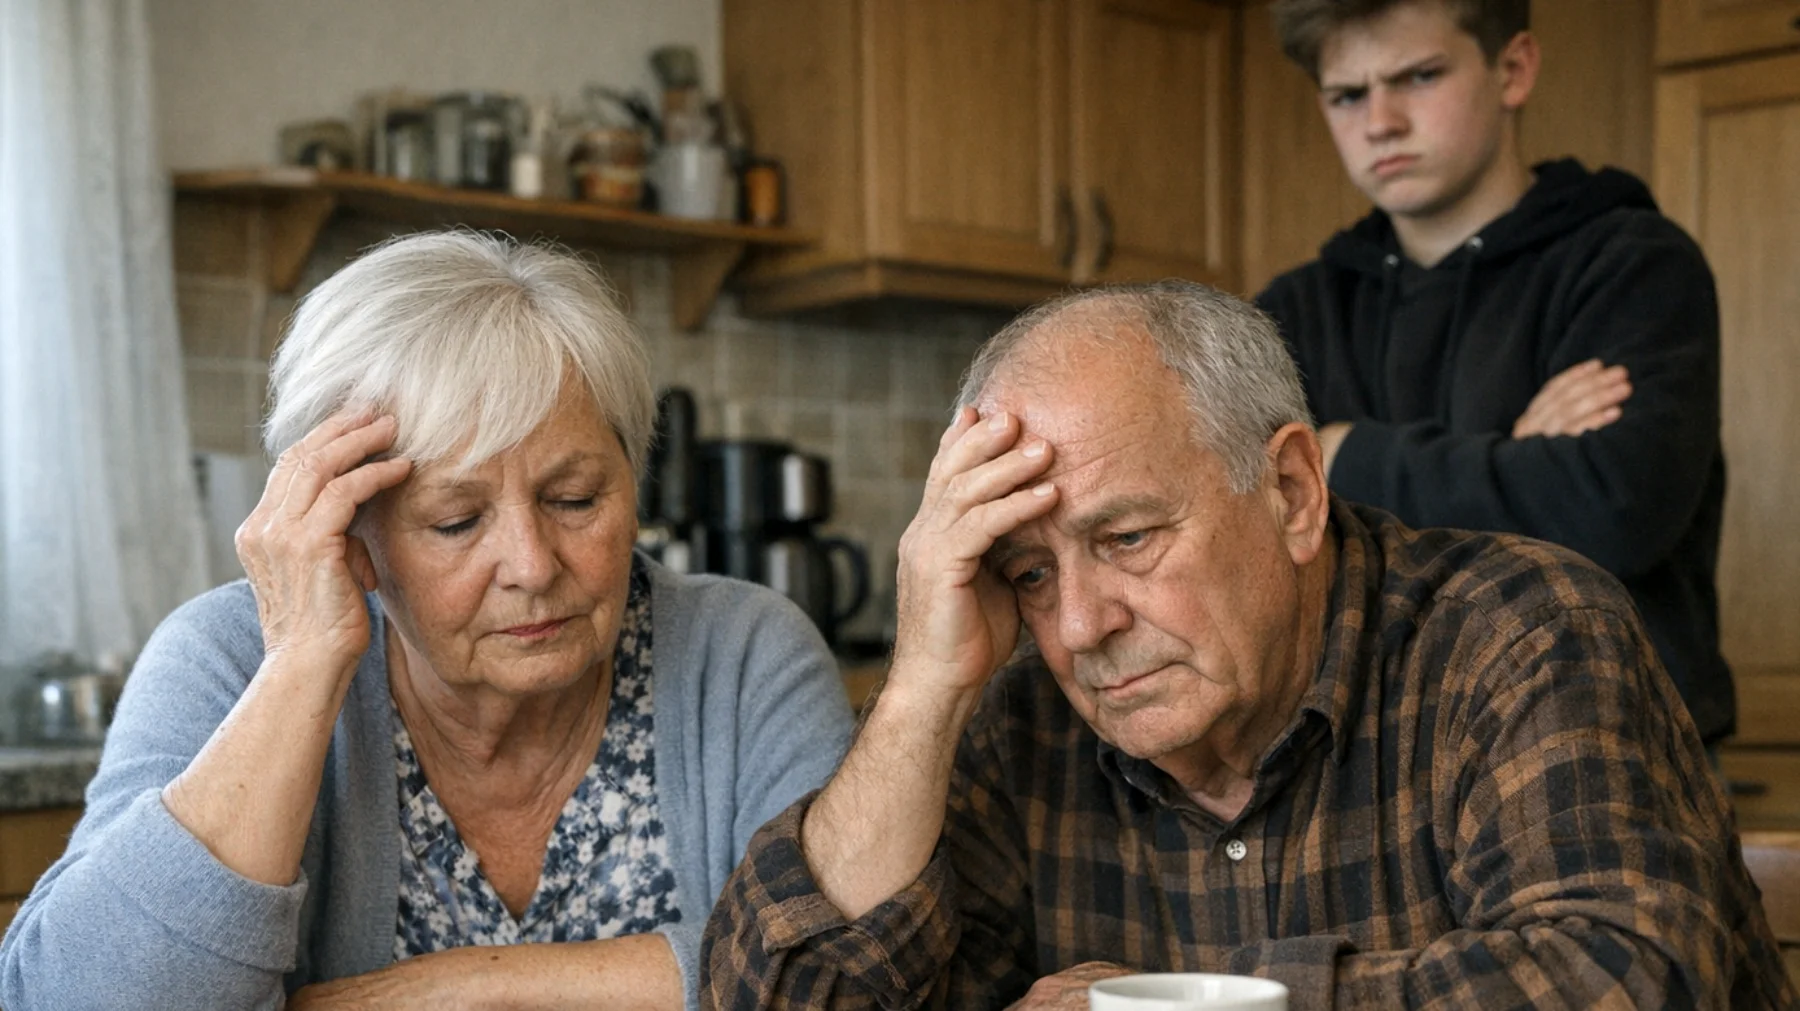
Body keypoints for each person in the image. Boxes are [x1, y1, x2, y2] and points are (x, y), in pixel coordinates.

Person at [699, 282, 1793, 1008]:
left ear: (1291, 491)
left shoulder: (1521, 631)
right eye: (1030, 572)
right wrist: (925, 687)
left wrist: (1171, 1001)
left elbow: (1627, 978)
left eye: (1126, 538)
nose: (1081, 627)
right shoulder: (1021, 713)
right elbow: (786, 997)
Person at [0, 232, 853, 1009]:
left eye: (574, 498)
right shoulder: (228, 659)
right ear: (354, 533)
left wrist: (450, 993)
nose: (531, 563)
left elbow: (848, 966)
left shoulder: (744, 655)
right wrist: (301, 665)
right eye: (455, 520)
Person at [1254, 0, 1734, 747]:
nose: (1380, 121)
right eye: (1348, 94)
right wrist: (1516, 462)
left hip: (1606, 742)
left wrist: (1350, 455)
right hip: (1374, 764)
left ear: (1513, 70)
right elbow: (1256, 547)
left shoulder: (1634, 265)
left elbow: (1614, 511)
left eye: (1418, 76)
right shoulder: (1291, 312)